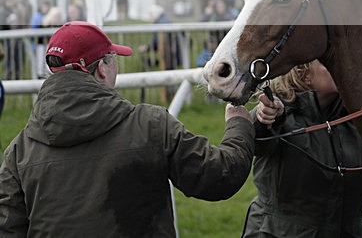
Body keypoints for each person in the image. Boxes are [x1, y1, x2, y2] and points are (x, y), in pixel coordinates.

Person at [0, 21, 255, 236]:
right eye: (113, 60)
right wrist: (239, 122)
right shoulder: (150, 124)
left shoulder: (18, 151)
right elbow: (221, 175)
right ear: (102, 69)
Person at [243, 60, 362, 237]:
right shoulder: (279, 114)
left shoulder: (357, 117)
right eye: (328, 63)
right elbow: (256, 139)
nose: (343, 66)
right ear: (302, 74)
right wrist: (264, 118)